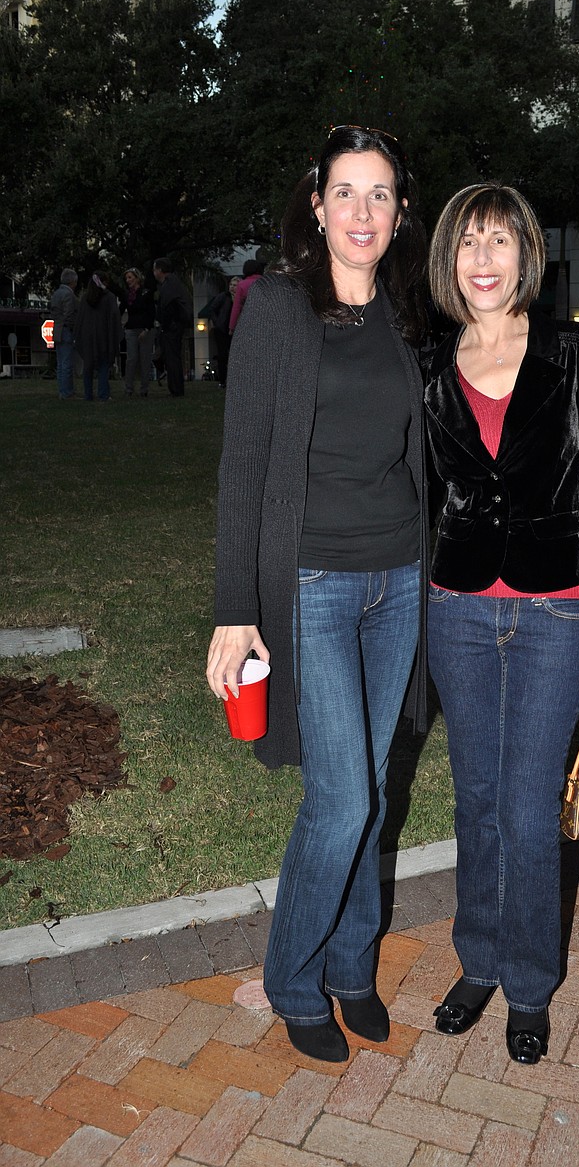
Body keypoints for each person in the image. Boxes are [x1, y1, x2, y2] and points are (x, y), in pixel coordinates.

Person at [205, 125, 429, 1065]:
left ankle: (351, 967)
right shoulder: (278, 308)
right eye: (346, 192)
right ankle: (295, 979)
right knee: (339, 799)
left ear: (400, 212)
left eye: (380, 194)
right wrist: (234, 606)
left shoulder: (409, 312)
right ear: (317, 203)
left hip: (400, 580)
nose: (362, 212)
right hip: (314, 585)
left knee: (372, 791)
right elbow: (243, 462)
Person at [423, 184, 579, 1066]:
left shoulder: (574, 350)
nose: (483, 259)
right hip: (459, 608)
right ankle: (477, 960)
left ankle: (528, 983)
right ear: (449, 259)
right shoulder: (432, 360)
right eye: (468, 242)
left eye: (499, 241)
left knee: (525, 803)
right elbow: (424, 493)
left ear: (525, 255)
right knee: (475, 796)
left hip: (558, 608)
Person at [74, 272, 122, 402]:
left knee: (88, 366)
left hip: (87, 337)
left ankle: (88, 394)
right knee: (103, 365)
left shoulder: (85, 298)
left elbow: (80, 319)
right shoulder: (109, 297)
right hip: (104, 336)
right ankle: (103, 394)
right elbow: (114, 318)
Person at [152, 258, 192, 397]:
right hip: (175, 324)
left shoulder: (168, 285)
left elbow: (167, 306)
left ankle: (176, 388)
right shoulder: (173, 283)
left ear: (160, 270)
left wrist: (164, 323)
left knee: (172, 357)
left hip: (172, 325)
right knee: (172, 356)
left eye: (155, 269)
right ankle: (175, 387)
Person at [122, 268, 156, 397]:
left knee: (145, 359)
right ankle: (128, 388)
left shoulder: (146, 293)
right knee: (131, 358)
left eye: (130, 277)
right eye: (127, 278)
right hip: (131, 328)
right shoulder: (127, 295)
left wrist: (147, 329)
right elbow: (121, 309)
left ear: (137, 278)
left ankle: (144, 388)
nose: (128, 280)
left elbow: (151, 312)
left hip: (144, 328)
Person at [50, 268, 78, 399]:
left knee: (61, 363)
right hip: (66, 329)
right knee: (67, 363)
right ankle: (67, 392)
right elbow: (69, 315)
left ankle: (62, 390)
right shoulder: (69, 295)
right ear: (72, 281)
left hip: (57, 329)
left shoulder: (56, 294)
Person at [209, 275, 238, 387]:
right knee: (222, 355)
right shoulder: (223, 297)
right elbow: (212, 309)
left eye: (235, 285)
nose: (232, 287)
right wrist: (217, 323)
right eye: (231, 285)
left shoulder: (240, 298)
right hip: (222, 330)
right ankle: (222, 380)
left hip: (234, 330)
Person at [228, 258, 267, 335]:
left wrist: (232, 327)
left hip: (249, 321)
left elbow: (236, 308)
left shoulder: (242, 284)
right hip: (266, 320)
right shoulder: (266, 282)